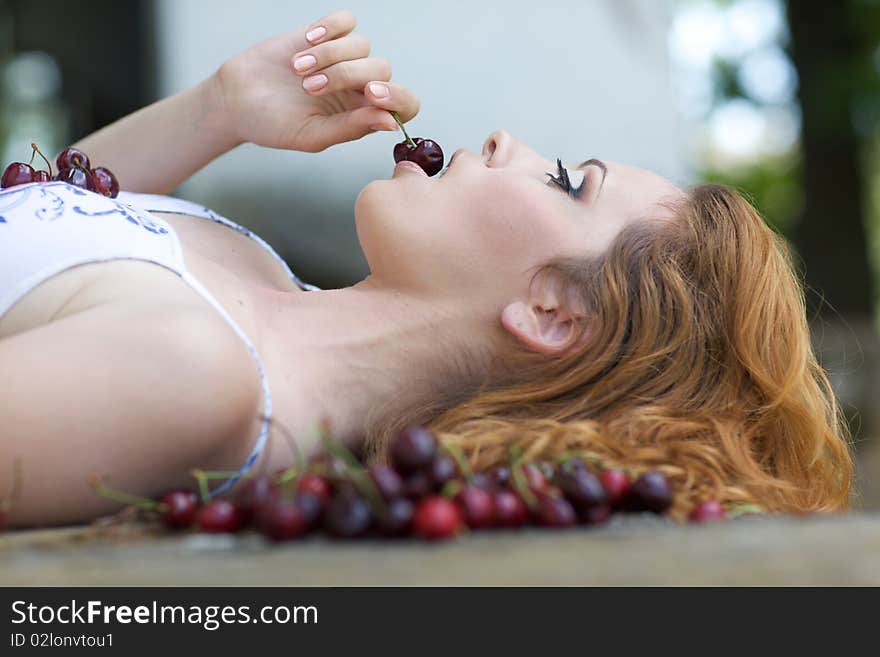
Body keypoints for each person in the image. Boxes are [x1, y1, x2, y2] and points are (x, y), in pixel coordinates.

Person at [0, 11, 853, 527]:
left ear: (552, 313)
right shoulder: (260, 274)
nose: (501, 141)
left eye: (565, 181)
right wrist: (217, 110)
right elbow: (40, 217)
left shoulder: (200, 377)